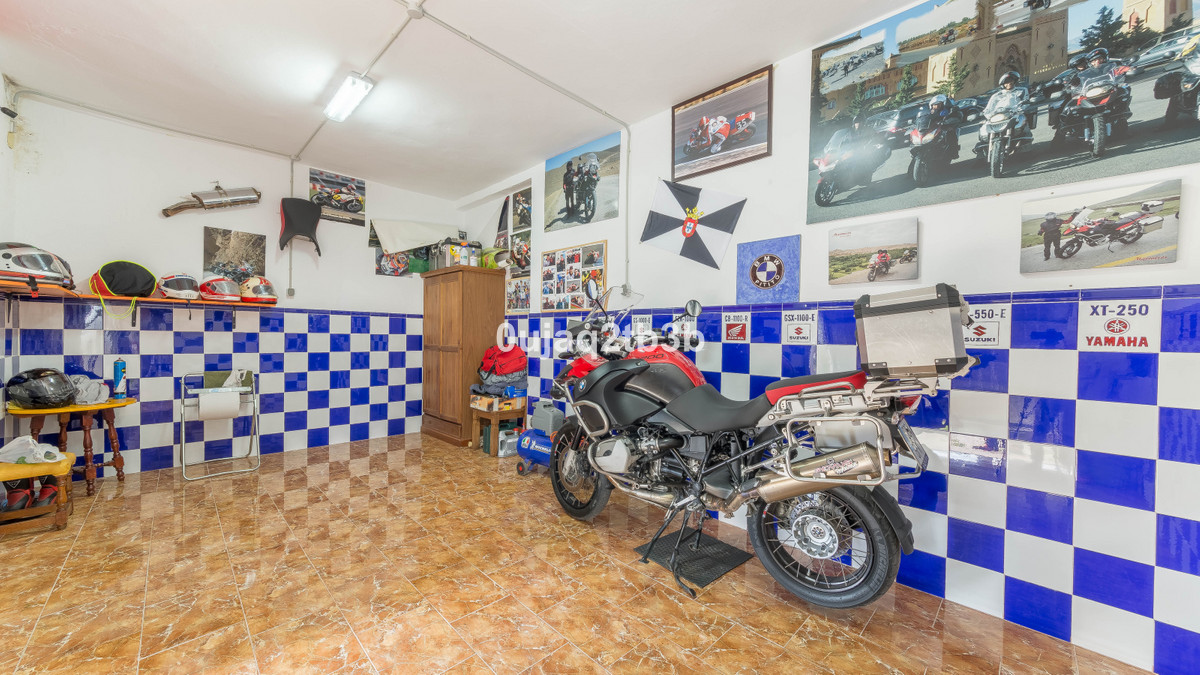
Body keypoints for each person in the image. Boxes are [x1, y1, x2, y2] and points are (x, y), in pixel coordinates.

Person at [926, 93, 964, 157]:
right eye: (934, 105)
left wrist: (947, 122)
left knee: (950, 131)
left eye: (938, 104)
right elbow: (926, 118)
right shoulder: (931, 112)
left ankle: (954, 151)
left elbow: (957, 116)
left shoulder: (950, 109)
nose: (935, 106)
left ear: (943, 103)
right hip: (934, 127)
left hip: (945, 126)